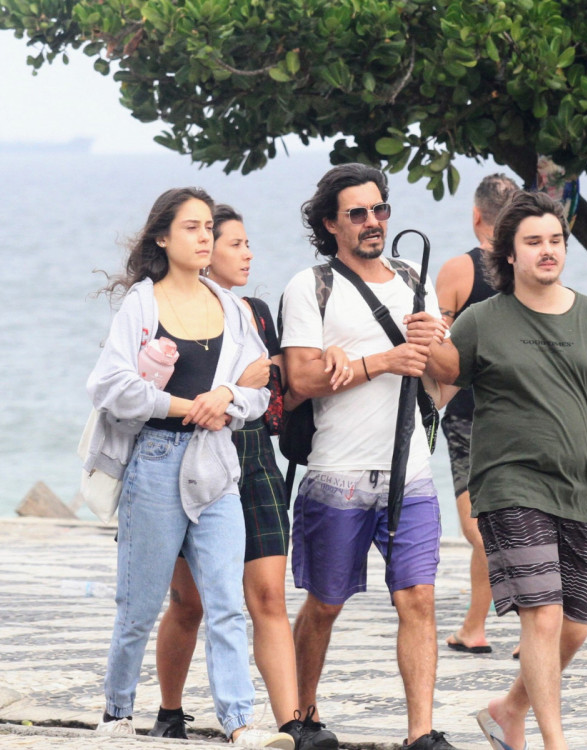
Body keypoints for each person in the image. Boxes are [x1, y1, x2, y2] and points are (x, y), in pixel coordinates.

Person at [425, 191, 587, 750]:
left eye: (555, 240)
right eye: (533, 242)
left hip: (577, 487)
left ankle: (509, 710)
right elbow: (439, 390)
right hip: (508, 484)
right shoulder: (482, 320)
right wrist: (416, 353)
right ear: (508, 253)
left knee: (575, 627)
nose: (547, 251)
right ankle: (552, 742)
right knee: (543, 614)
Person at [86, 187, 290, 748]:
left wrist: (223, 396)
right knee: (141, 604)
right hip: (155, 460)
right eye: (192, 228)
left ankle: (239, 724)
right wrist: (184, 406)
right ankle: (117, 713)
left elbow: (255, 389)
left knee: (226, 602)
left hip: (218, 465)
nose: (204, 238)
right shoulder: (142, 305)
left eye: (208, 228)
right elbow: (108, 385)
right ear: (163, 237)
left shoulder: (230, 308)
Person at [279, 164, 457, 750]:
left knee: (419, 599)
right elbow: (301, 379)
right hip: (339, 473)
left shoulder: (413, 278)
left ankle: (421, 732)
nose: (373, 222)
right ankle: (302, 716)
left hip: (411, 475)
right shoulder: (311, 286)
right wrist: (382, 360)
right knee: (325, 604)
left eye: (380, 209)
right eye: (357, 213)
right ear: (330, 224)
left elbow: (450, 373)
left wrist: (435, 341)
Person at [151, 205, 341, 748]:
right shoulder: (169, 309)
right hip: (191, 461)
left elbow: (280, 392)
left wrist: (317, 364)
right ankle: (169, 710)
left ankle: (293, 724)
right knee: (190, 604)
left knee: (267, 599)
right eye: (233, 243)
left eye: (243, 242)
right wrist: (240, 380)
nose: (245, 253)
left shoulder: (256, 312)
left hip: (254, 461)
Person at [433, 172, 519, 656]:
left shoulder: (459, 270)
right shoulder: (533, 271)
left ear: (475, 215)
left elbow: (439, 347)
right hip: (525, 410)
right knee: (513, 519)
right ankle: (474, 626)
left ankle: (505, 626)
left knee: (479, 528)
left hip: (471, 414)